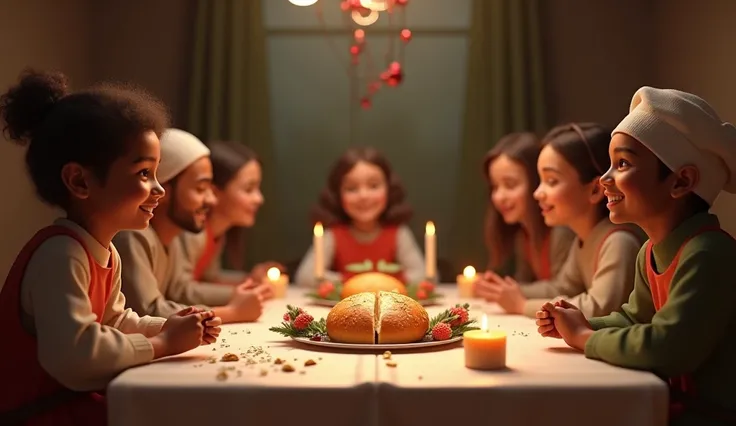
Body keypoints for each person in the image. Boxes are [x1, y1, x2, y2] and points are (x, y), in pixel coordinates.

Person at [0, 70, 220, 425]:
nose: (159, 190)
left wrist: (169, 324)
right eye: (144, 174)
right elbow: (75, 357)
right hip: (40, 414)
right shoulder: (60, 256)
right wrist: (164, 344)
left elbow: (115, 321)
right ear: (80, 180)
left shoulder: (103, 251)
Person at [537, 87, 736, 425]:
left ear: (681, 180)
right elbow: (634, 319)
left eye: (623, 164)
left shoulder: (709, 253)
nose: (604, 178)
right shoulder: (649, 252)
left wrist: (585, 337)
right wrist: (577, 323)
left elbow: (669, 347)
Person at [479, 124, 643, 318]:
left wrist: (522, 305)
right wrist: (508, 293)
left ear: (595, 190)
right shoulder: (582, 241)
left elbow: (598, 307)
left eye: (552, 181)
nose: (537, 193)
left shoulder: (618, 242)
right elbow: (563, 287)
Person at [114, 129, 269, 324]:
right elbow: (149, 310)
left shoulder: (170, 237)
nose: (212, 200)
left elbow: (177, 291)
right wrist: (232, 312)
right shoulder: (134, 236)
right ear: (163, 189)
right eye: (200, 189)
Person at [294, 146, 426, 286]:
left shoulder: (398, 233)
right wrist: (352, 282)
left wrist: (385, 283)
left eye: (373, 186)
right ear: (337, 195)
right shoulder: (333, 234)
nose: (363, 196)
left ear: (389, 189)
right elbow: (305, 276)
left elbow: (425, 275)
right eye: (351, 188)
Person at [473, 132, 575, 296]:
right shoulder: (523, 236)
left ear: (537, 182)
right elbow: (526, 281)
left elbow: (567, 289)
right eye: (495, 187)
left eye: (510, 185)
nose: (499, 197)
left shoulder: (560, 232)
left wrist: (508, 291)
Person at [178, 140, 284, 285]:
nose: (259, 199)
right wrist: (241, 292)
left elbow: (208, 279)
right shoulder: (193, 232)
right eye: (248, 189)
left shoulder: (217, 234)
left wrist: (251, 280)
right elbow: (182, 290)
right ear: (214, 191)